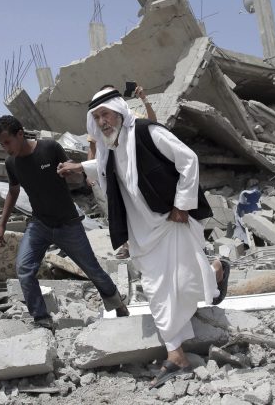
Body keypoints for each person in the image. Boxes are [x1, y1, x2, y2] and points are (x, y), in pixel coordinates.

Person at [57, 87, 229, 389]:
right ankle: (179, 349)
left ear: (119, 112)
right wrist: (79, 167)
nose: (102, 121)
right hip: (140, 231)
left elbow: (188, 159)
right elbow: (106, 169)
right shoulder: (110, 145)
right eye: (96, 117)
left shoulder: (149, 132)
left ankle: (179, 347)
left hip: (169, 219)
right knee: (157, 287)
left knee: (181, 281)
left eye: (105, 114)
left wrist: (181, 204)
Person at [0, 114, 129, 329]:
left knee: (92, 269)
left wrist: (70, 172)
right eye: (1, 145)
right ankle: (42, 319)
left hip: (68, 224)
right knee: (24, 268)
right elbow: (13, 191)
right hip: (39, 224)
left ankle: (117, 303)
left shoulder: (49, 148)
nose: (6, 148)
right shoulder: (12, 163)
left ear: (20, 134)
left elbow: (76, 178)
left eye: (7, 142)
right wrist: (1, 224)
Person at [87, 83, 157, 259]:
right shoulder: (100, 124)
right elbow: (93, 146)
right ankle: (126, 245)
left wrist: (144, 100)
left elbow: (152, 124)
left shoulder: (130, 119)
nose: (101, 119)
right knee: (116, 209)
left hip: (132, 173)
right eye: (98, 116)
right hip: (111, 175)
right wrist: (89, 170)